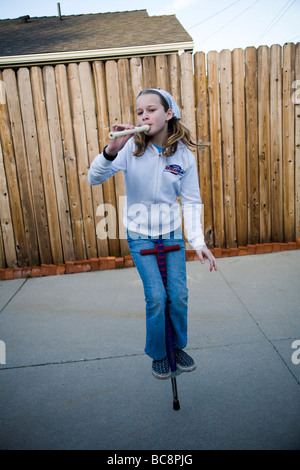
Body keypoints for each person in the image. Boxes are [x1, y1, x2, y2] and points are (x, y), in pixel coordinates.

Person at [88, 88, 217, 380]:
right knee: (157, 297)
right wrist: (111, 150)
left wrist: (198, 242)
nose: (144, 116)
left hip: (170, 233)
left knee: (179, 295)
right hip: (140, 234)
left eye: (151, 109)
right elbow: (93, 178)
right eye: (139, 112)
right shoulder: (131, 149)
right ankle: (159, 352)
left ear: (168, 113)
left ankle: (178, 346)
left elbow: (192, 200)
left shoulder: (183, 156)